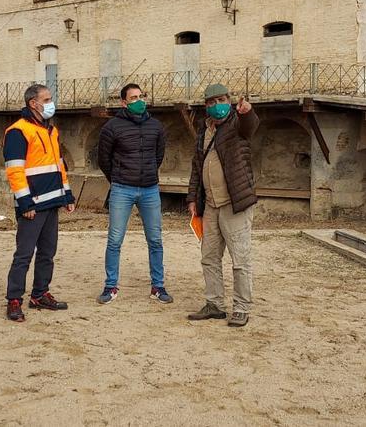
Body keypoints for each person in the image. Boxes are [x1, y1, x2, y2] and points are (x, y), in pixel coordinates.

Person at [185, 84, 259, 327]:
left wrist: (247, 112)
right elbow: (197, 166)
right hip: (211, 205)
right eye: (211, 101)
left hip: (234, 203)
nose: (216, 105)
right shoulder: (203, 130)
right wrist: (192, 198)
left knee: (240, 259)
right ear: (206, 105)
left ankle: (241, 307)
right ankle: (215, 304)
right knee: (209, 257)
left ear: (228, 100)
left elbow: (250, 127)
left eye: (220, 100)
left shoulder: (237, 124)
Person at [3, 83, 76, 322]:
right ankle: (14, 300)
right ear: (33, 104)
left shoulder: (50, 131)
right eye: (46, 100)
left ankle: (40, 294)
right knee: (24, 255)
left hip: (52, 202)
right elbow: (14, 171)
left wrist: (67, 196)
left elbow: (59, 166)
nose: (50, 103)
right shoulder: (18, 131)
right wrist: (25, 204)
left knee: (47, 253)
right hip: (32, 205)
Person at [95, 83, 171, 305]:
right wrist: (118, 178)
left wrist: (146, 174)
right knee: (115, 240)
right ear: (124, 102)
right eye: (134, 97)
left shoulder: (156, 126)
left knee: (155, 239)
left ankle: (158, 286)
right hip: (122, 189)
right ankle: (110, 287)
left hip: (150, 190)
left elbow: (159, 156)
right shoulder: (111, 127)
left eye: (141, 96)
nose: (139, 100)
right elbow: (103, 159)